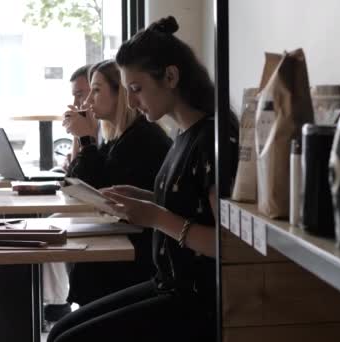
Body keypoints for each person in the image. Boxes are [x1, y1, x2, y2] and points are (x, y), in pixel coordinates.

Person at [47, 16, 239, 342]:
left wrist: (155, 216)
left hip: (195, 299)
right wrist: (146, 198)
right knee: (60, 330)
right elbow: (189, 206)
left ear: (170, 76)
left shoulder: (213, 140)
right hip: (167, 284)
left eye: (136, 89)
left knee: (66, 339)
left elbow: (227, 244)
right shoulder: (185, 135)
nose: (132, 101)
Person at [43, 59, 172, 323]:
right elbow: (74, 184)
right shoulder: (118, 138)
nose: (88, 100)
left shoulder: (142, 139)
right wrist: (82, 139)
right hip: (122, 246)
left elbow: (100, 193)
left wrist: (87, 138)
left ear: (121, 93)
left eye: (97, 90)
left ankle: (60, 309)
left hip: (136, 259)